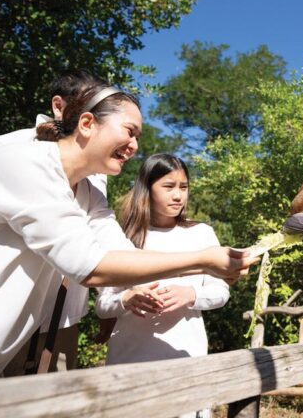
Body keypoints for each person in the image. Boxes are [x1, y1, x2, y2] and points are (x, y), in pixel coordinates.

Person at [0, 84, 258, 394]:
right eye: (129, 131)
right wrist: (202, 259)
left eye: (138, 137)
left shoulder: (88, 195)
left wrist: (206, 273)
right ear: (86, 123)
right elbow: (91, 266)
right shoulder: (23, 160)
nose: (133, 145)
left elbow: (119, 253)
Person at [0, 69, 109, 375]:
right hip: (0, 316)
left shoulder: (97, 174)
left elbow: (100, 235)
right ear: (59, 106)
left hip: (61, 319)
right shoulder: (8, 149)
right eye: (91, 110)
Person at [96, 154, 228, 418]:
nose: (178, 196)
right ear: (147, 188)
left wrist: (191, 294)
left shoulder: (202, 233)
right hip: (129, 362)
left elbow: (221, 292)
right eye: (168, 187)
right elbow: (102, 306)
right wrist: (127, 299)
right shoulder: (123, 238)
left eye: (184, 187)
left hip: (185, 358)